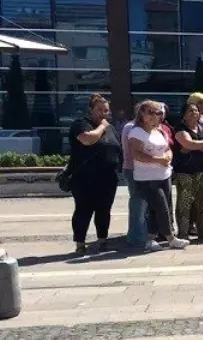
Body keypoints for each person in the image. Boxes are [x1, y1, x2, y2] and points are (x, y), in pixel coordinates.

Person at [127, 100, 188, 251]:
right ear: (143, 115)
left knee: (157, 208)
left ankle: (150, 239)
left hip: (164, 175)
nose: (157, 116)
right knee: (162, 207)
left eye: (159, 113)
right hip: (147, 178)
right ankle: (171, 238)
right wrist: (159, 160)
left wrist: (168, 156)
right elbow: (136, 154)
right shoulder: (136, 132)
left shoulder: (159, 130)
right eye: (152, 112)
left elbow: (167, 148)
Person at [67, 94, 122, 254]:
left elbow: (117, 149)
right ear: (91, 110)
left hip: (108, 178)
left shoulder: (111, 128)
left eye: (106, 110)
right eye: (99, 110)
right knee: (83, 210)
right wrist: (102, 127)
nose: (103, 114)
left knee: (104, 210)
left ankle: (102, 240)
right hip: (85, 179)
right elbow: (87, 140)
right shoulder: (81, 124)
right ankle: (80, 243)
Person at [173, 102, 203, 241]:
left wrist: (193, 146)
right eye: (190, 111)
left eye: (196, 110)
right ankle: (183, 233)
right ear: (184, 114)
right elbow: (187, 143)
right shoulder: (180, 128)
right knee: (185, 203)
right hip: (185, 171)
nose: (194, 113)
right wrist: (201, 145)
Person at [121, 117, 149, 249]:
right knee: (138, 203)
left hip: (145, 170)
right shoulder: (131, 127)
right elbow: (133, 153)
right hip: (133, 170)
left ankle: (142, 234)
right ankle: (136, 237)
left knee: (144, 204)